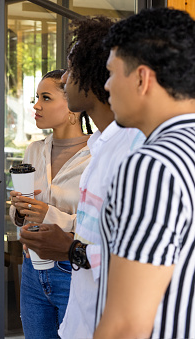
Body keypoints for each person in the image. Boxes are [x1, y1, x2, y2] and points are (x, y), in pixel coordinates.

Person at [19, 17, 144, 339]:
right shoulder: (102, 145)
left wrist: (70, 247)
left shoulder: (135, 149)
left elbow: (143, 259)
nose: (67, 76)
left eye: (71, 70)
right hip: (68, 294)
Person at [93, 8, 195, 338]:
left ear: (141, 78)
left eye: (110, 73)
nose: (106, 86)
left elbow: (126, 325)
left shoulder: (153, 166)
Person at [8, 69, 91, 338]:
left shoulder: (97, 154)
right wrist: (19, 211)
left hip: (73, 269)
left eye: (46, 97)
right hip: (31, 268)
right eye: (36, 97)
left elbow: (99, 223)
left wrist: (50, 215)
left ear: (73, 107)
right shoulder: (34, 149)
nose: (36, 105)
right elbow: (19, 211)